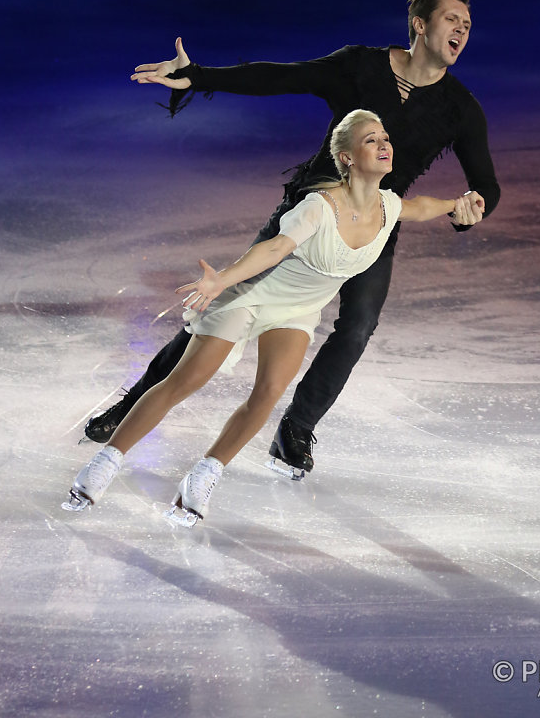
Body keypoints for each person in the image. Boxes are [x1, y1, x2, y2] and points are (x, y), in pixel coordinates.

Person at [83, 0, 500, 476]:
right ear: (420, 24)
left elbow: (486, 187)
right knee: (226, 301)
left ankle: (295, 431)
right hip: (312, 210)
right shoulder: (360, 66)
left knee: (358, 327)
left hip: (373, 225)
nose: (461, 30)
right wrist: (197, 76)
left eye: (467, 25)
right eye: (452, 19)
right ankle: (131, 407)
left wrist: (471, 208)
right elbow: (280, 77)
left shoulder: (460, 108)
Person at [63, 110, 478, 525]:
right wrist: (222, 280)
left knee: (268, 395)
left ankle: (203, 476)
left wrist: (456, 204)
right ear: (348, 157)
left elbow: (420, 207)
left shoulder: (388, 205)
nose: (384, 144)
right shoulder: (319, 205)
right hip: (254, 298)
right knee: (183, 382)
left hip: (296, 312)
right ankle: (103, 464)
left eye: (385, 137)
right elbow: (275, 248)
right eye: (371, 140)